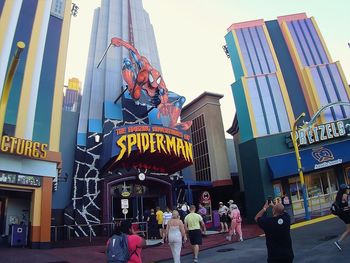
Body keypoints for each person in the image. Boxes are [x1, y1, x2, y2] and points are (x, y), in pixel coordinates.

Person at [334, 184, 350, 251]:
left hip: (343, 214)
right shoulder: (344, 195)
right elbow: (348, 204)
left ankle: (339, 241)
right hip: (346, 214)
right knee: (349, 230)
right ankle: (338, 241)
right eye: (346, 189)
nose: (347, 190)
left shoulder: (338, 195)